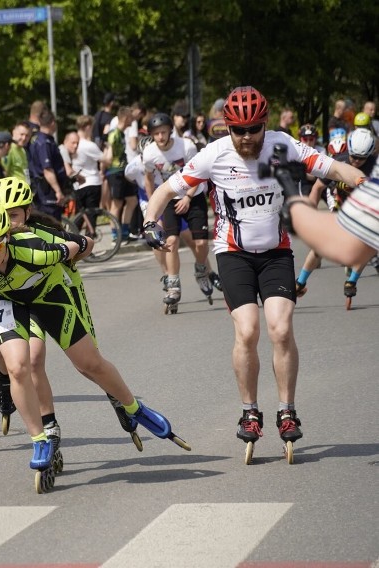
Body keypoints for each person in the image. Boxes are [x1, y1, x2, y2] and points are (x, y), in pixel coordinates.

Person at [142, 86, 365, 461]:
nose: (246, 138)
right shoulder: (213, 155)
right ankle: (250, 411)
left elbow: (334, 167)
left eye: (253, 129)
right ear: (227, 128)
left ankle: (287, 410)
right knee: (247, 330)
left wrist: (365, 185)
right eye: (238, 130)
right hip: (233, 254)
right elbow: (164, 190)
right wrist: (150, 221)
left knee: (280, 328)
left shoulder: (284, 146)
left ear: (265, 124)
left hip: (276, 252)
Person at [0, 198, 190, 464]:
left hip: (47, 297)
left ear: (7, 236)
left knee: (89, 363)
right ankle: (40, 440)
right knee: (19, 367)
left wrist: (78, 245)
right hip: (9, 303)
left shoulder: (36, 250)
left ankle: (134, 407)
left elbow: (83, 245)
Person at [294, 129, 377, 304]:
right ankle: (300, 282)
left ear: (369, 155)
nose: (355, 161)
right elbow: (317, 188)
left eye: (360, 159)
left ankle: (351, 281)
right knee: (320, 247)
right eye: (353, 156)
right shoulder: (340, 161)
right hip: (342, 209)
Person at [142, 112, 214, 311]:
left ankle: (201, 270)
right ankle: (173, 285)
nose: (160, 137)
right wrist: (152, 206)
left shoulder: (186, 146)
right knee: (171, 241)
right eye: (156, 134)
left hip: (194, 195)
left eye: (163, 132)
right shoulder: (149, 153)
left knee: (200, 242)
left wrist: (188, 197)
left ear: (170, 131)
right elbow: (149, 179)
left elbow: (199, 173)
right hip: (169, 198)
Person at [27, 108, 69, 221]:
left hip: (45, 190)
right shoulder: (44, 143)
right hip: (47, 191)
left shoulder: (40, 139)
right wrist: (58, 191)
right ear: (52, 123)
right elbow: (47, 170)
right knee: (52, 224)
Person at [103, 106, 137, 240]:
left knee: (132, 200)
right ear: (126, 118)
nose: (133, 121)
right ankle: (114, 233)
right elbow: (109, 152)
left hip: (123, 170)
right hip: (115, 171)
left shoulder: (122, 133)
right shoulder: (114, 134)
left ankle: (124, 230)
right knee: (116, 203)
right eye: (131, 118)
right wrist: (104, 166)